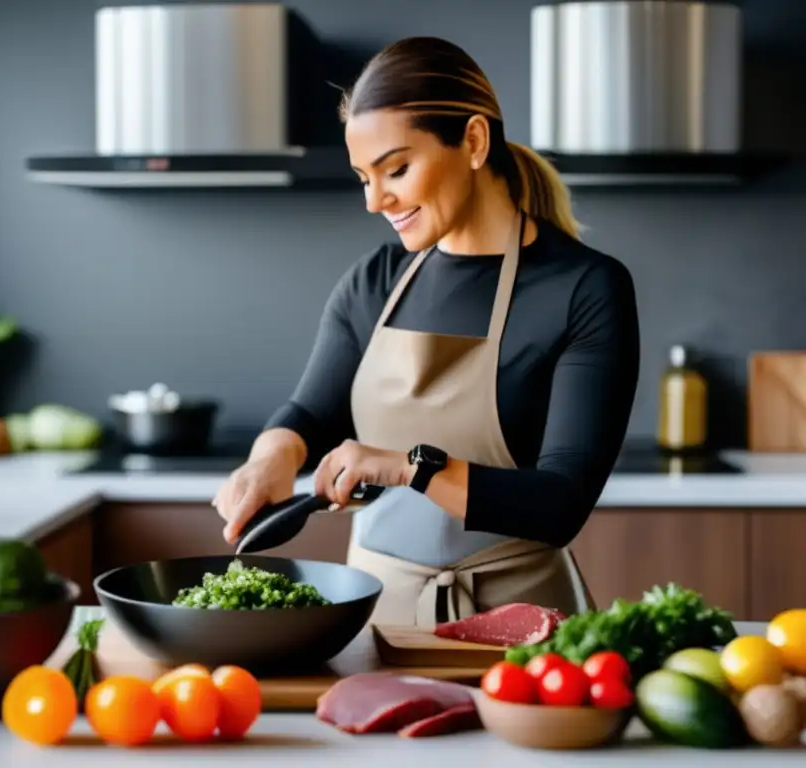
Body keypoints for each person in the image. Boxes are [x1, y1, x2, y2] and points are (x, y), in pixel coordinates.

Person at [212, 36, 640, 627]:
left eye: (396, 169)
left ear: (472, 141)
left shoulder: (583, 288)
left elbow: (561, 504)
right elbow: (311, 412)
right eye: (364, 177)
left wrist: (409, 466)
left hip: (527, 629)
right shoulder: (376, 281)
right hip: (376, 616)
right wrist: (270, 457)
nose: (374, 200)